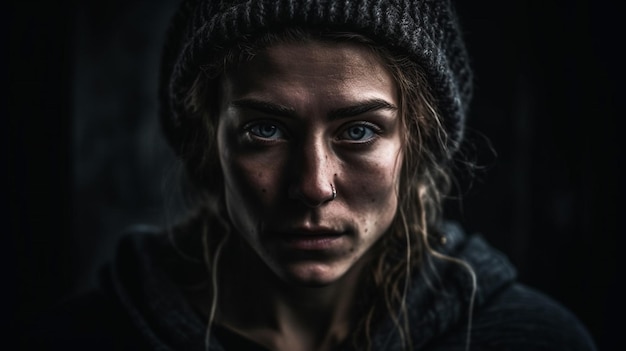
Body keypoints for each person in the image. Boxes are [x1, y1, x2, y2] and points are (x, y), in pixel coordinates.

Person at [22, 0, 598, 350]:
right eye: (265, 131)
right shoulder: (83, 339)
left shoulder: (530, 339)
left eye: (359, 132)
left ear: (417, 143)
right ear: (207, 140)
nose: (313, 186)